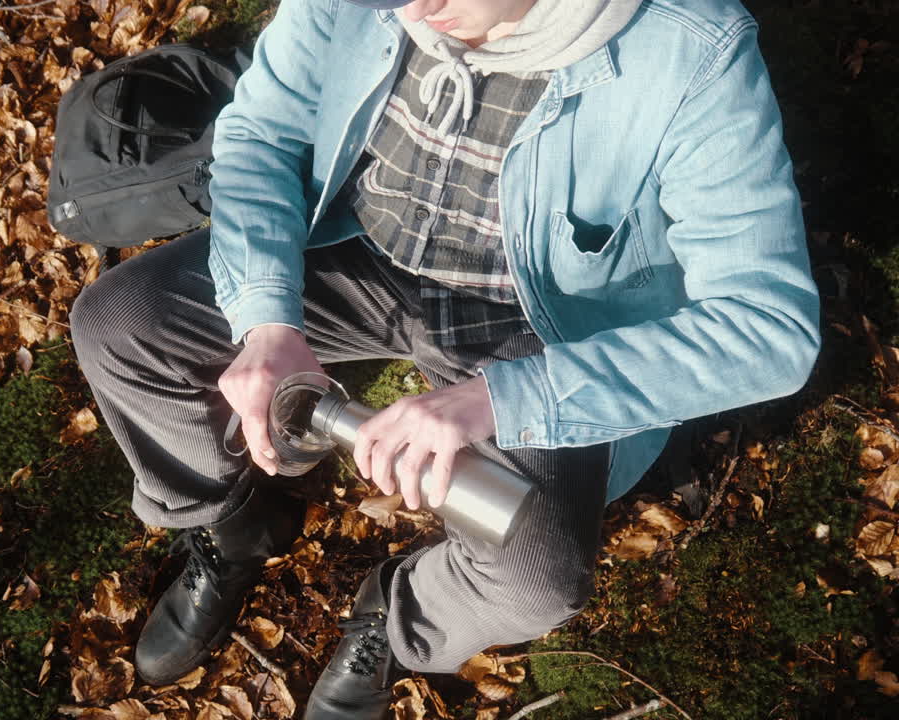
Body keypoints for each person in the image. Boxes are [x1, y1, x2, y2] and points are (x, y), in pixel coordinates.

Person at [69, 0, 821, 717]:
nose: (413, 14)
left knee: (535, 579)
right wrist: (265, 316)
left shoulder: (692, 49)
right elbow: (261, 131)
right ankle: (236, 526)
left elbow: (768, 328)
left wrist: (503, 399)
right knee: (117, 325)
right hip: (360, 245)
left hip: (532, 318)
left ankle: (396, 620)